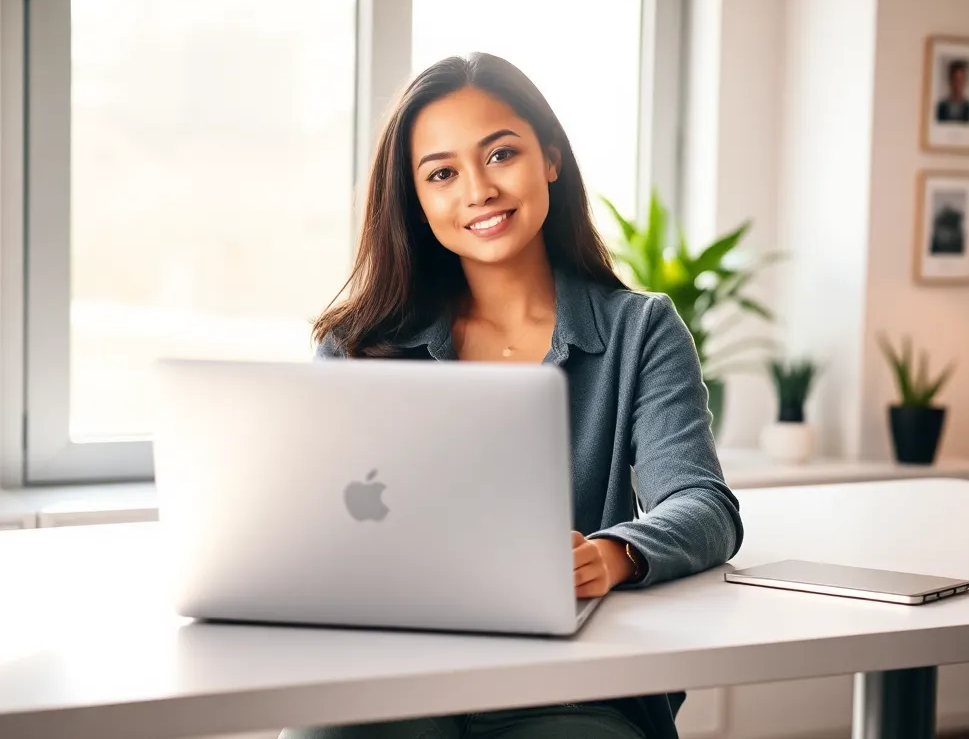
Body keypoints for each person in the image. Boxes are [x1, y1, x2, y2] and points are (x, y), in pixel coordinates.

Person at [289, 52, 743, 739]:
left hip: (569, 687)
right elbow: (313, 527)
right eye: (442, 173)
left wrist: (612, 554)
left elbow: (705, 506)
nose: (479, 190)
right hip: (389, 676)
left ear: (550, 159)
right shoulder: (357, 344)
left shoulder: (639, 330)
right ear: (415, 200)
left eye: (501, 154)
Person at [935, 59, 969, 123]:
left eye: (961, 79)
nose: (958, 84)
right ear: (950, 80)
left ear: (965, 81)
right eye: (955, 79)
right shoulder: (941, 106)